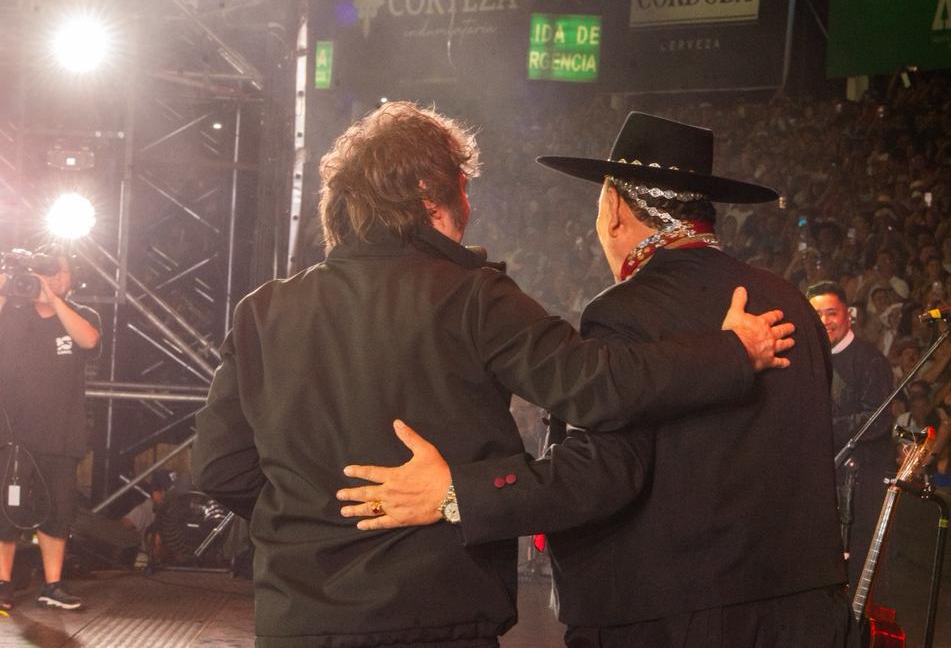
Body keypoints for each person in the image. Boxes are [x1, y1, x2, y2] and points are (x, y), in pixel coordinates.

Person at [191, 102, 794, 648]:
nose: (470, 208)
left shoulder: (261, 312)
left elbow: (219, 468)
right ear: (431, 194)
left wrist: (311, 518)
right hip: (435, 615)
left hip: (296, 623)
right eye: (464, 188)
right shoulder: (471, 296)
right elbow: (598, 386)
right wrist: (731, 352)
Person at [337, 112, 853, 647]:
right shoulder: (792, 302)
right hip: (806, 613)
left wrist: (454, 495)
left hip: (670, 617)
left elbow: (602, 473)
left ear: (612, 209)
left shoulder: (627, 310)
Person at [0, 249, 101, 611]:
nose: (53, 279)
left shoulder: (80, 314)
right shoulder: (12, 312)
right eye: (48, 273)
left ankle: (53, 584)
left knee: (58, 510)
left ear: (70, 279)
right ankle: (2, 583)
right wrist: (5, 286)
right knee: (7, 507)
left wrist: (53, 300)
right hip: (11, 434)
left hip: (60, 433)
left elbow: (88, 340)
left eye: (61, 274)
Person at [806, 280, 896, 581]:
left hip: (862, 482)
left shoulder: (869, 360)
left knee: (855, 567)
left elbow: (878, 419)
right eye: (816, 314)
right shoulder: (809, 357)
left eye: (831, 313)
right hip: (824, 474)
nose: (824, 321)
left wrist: (822, 428)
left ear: (849, 315)